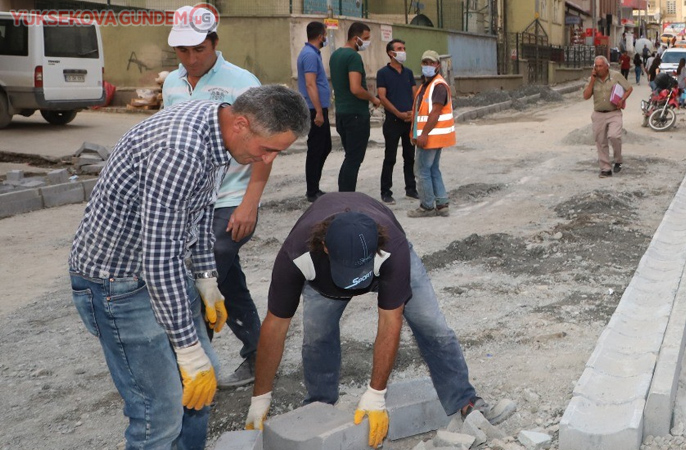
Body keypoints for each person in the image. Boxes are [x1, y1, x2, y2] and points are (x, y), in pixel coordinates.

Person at [70, 85, 309, 450]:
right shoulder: (180, 151)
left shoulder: (216, 131)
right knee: (159, 414)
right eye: (268, 149)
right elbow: (158, 258)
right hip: (117, 283)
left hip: (155, 270)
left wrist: (206, 277)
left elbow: (198, 211)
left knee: (201, 384)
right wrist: (187, 347)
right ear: (242, 124)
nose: (268, 161)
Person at [242, 192, 515, 448]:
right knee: (317, 338)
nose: (354, 283)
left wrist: (376, 394)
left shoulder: (392, 248)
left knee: (433, 327)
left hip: (385, 263)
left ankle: (464, 401)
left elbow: (389, 322)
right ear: (324, 247)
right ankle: (319, 411)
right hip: (323, 283)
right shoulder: (296, 255)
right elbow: (275, 326)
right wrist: (260, 398)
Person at [162, 5, 266, 388]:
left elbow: (265, 149)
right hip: (188, 201)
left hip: (230, 198)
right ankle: (258, 352)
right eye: (183, 51)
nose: (191, 59)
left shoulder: (242, 83)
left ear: (215, 43)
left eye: (199, 50)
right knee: (225, 279)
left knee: (202, 269)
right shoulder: (171, 83)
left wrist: (249, 204)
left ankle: (191, 363)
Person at [330, 21, 381, 192]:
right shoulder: (353, 57)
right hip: (356, 115)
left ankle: (344, 193)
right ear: (355, 38)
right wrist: (373, 98)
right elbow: (356, 88)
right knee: (354, 159)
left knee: (349, 157)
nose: (367, 42)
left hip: (342, 114)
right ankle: (347, 196)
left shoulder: (335, 55)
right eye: (365, 39)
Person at [408, 50, 455, 218]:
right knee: (433, 169)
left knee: (422, 171)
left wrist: (423, 134)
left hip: (430, 137)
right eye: (425, 63)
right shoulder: (427, 85)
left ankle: (427, 206)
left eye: (431, 63)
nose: (428, 66)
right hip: (433, 136)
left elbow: (434, 113)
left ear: (437, 65)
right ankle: (442, 205)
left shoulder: (438, 86)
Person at [376, 39, 419, 206]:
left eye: (404, 48)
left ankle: (411, 188)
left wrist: (412, 113)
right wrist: (398, 113)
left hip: (409, 120)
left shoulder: (408, 73)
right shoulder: (383, 73)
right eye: (399, 48)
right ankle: (386, 191)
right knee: (390, 157)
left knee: (409, 157)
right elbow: (382, 97)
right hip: (393, 121)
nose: (403, 51)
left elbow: (415, 94)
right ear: (390, 53)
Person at [299, 21, 334, 202]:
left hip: (318, 108)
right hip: (314, 109)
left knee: (325, 147)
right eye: (325, 34)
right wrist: (319, 112)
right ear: (321, 36)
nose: (326, 38)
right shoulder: (310, 55)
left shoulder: (313, 54)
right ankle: (312, 191)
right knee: (316, 149)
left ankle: (314, 187)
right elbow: (310, 84)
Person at [583, 56, 632, 178]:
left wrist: (622, 99)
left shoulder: (616, 76)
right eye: (596, 66)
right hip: (598, 114)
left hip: (614, 112)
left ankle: (618, 160)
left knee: (614, 136)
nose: (598, 68)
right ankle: (605, 168)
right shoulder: (591, 79)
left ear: (606, 66)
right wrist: (593, 80)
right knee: (601, 141)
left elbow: (629, 88)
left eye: (600, 66)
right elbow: (586, 96)